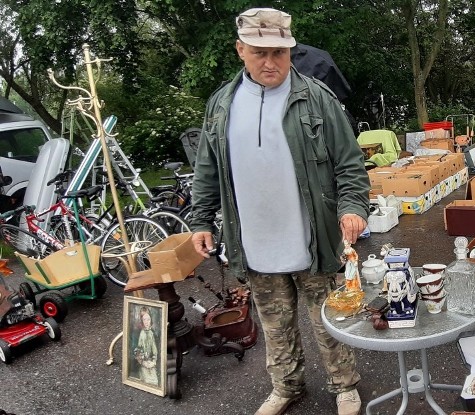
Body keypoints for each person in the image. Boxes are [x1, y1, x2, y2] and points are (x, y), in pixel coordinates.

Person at [189, 7, 370, 415]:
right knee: (274, 324)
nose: (270, 63)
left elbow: (350, 163)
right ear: (240, 50)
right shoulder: (221, 105)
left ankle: (344, 386)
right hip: (255, 241)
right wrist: (201, 219)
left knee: (331, 320)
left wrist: (353, 206)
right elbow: (207, 168)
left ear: (291, 51)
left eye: (279, 53)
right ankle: (286, 387)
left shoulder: (317, 98)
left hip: (313, 238)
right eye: (258, 52)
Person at [134, 307, 159, 386]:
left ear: (151, 319)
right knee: (147, 381)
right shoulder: (140, 334)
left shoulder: (153, 333)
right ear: (141, 320)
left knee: (155, 381)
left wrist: (154, 361)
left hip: (152, 362)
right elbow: (137, 350)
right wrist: (142, 361)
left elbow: (155, 349)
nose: (146, 322)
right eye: (144, 319)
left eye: (148, 319)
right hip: (143, 363)